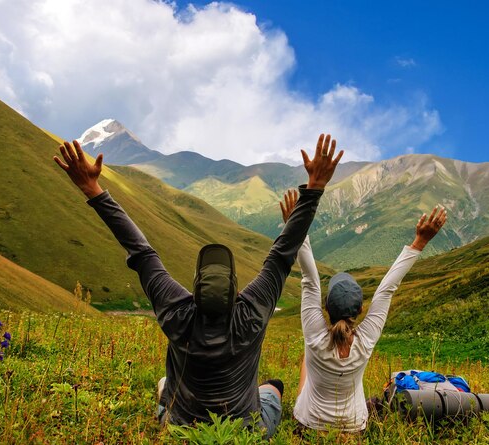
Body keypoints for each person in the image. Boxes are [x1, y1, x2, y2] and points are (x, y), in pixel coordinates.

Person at [53, 134, 343, 438]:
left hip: (182, 430)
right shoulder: (251, 314)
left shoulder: (177, 312)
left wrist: (92, 188)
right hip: (245, 432)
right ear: (234, 288)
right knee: (273, 388)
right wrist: (315, 188)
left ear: (195, 287)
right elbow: (282, 255)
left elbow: (139, 251)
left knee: (165, 385)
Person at [279, 189, 446, 432]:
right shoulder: (365, 340)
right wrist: (420, 242)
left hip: (308, 425)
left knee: (308, 358)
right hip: (353, 427)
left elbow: (309, 278)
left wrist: (296, 225)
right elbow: (387, 289)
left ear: (325, 307)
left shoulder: (314, 336)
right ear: (361, 309)